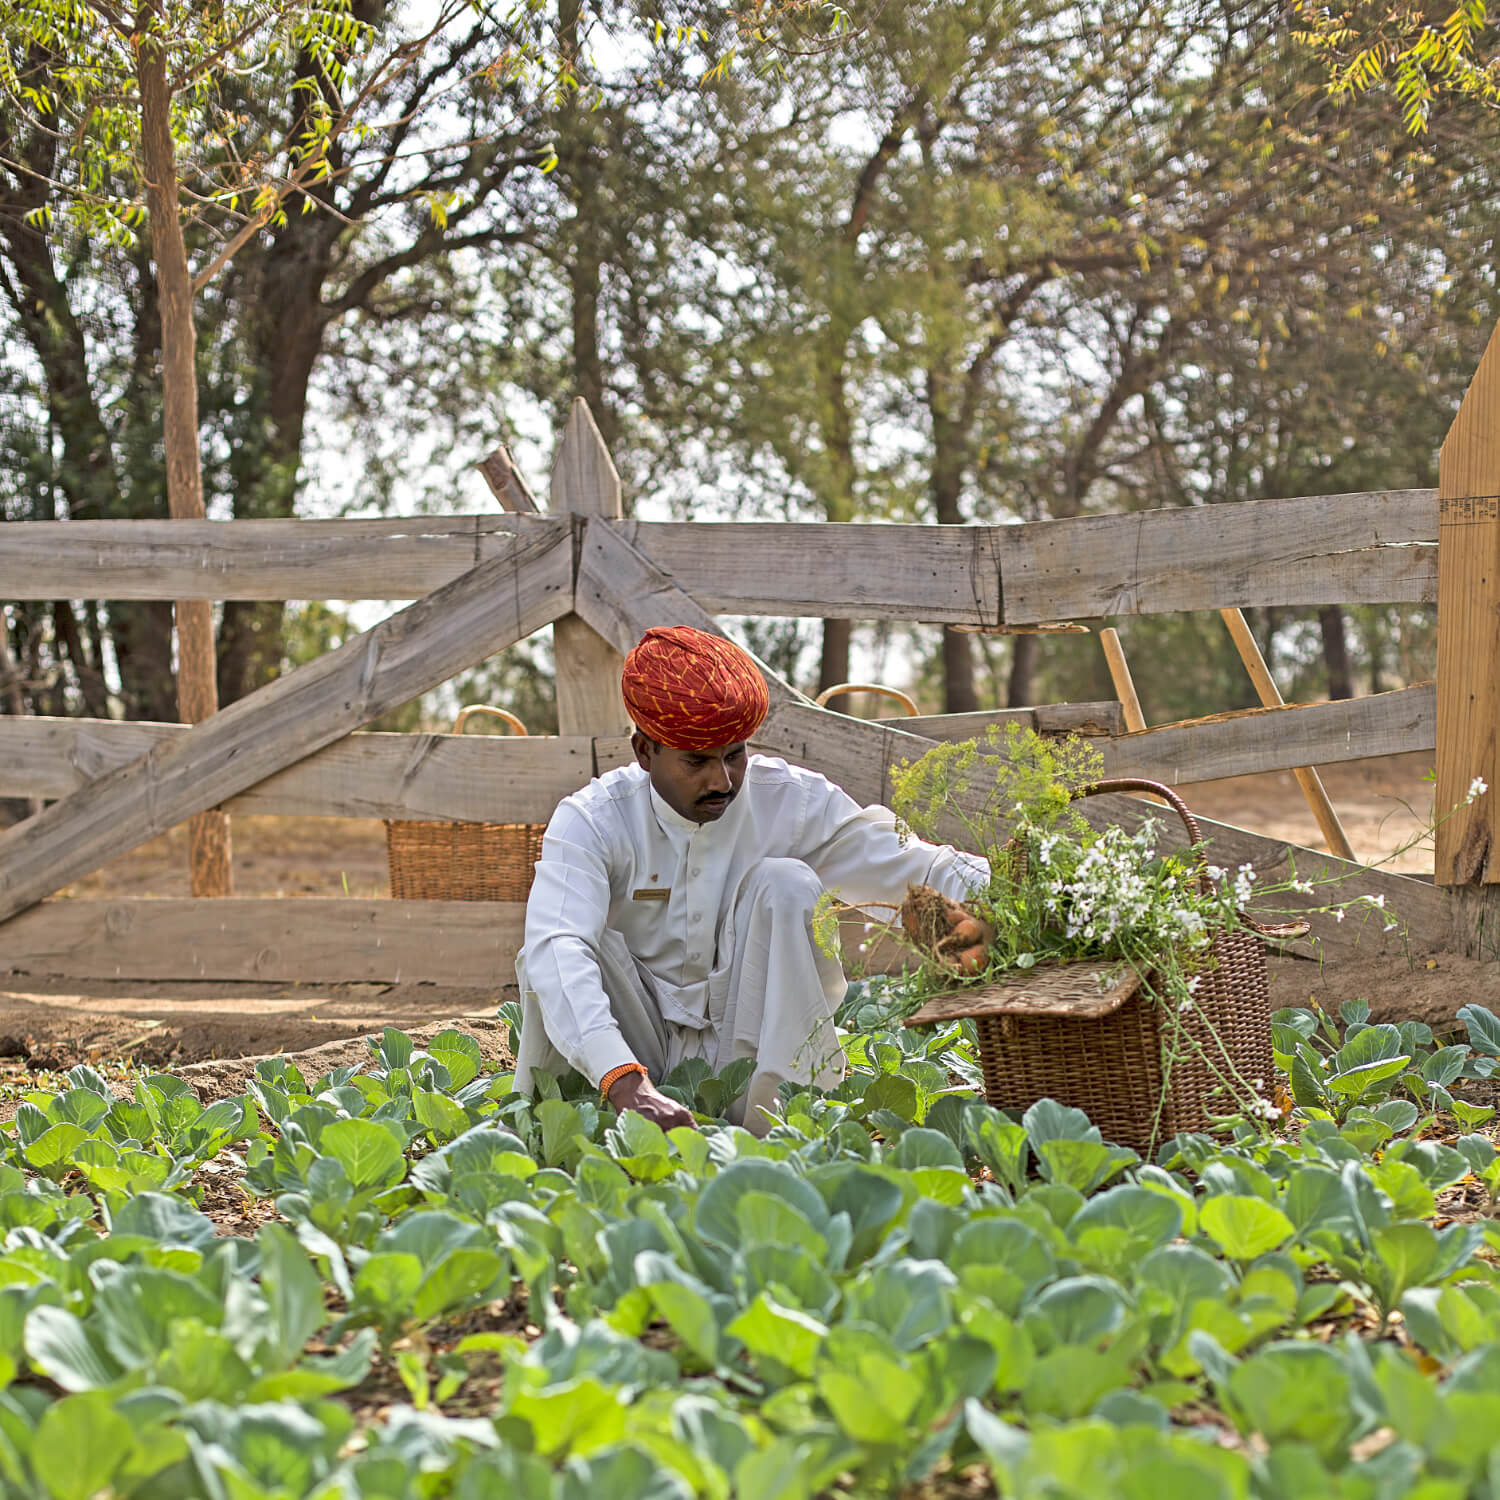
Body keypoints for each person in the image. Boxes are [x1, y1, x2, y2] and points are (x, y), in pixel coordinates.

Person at [512, 624, 987, 1135]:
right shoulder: (591, 820)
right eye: (697, 761)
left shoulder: (788, 799)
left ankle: (784, 1127)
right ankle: (565, 1123)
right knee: (560, 946)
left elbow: (914, 863)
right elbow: (555, 948)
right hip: (626, 1056)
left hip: (740, 1048)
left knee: (786, 883)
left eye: (734, 755)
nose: (722, 781)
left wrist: (1045, 887)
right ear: (644, 751)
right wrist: (625, 1081)